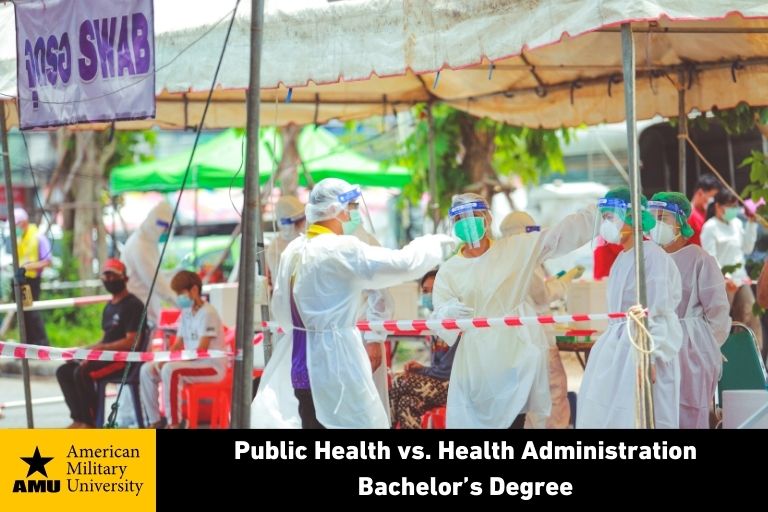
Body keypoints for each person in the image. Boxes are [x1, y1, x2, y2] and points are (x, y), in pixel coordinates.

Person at [265, 178, 453, 429]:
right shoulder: (340, 249)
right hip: (335, 364)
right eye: (351, 206)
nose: (353, 212)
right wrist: (434, 244)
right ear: (336, 209)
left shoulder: (293, 250)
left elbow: (280, 307)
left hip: (299, 362)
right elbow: (402, 264)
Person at [432, 193, 595, 429]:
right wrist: (448, 313)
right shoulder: (449, 270)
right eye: (459, 218)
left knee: (515, 420)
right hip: (476, 363)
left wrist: (596, 215)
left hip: (513, 357)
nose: (466, 222)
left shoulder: (515, 250)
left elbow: (558, 236)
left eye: (473, 216)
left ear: (487, 218)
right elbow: (440, 316)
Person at [577, 187, 683, 429]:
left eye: (611, 216)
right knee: (607, 416)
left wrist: (650, 357)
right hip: (618, 349)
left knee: (640, 418)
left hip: (642, 347)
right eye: (604, 218)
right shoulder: (623, 258)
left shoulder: (651, 256)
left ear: (633, 217)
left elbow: (657, 311)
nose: (607, 223)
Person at [648, 192, 731, 428]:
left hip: (692, 349)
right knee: (659, 412)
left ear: (681, 222)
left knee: (690, 411)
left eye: (664, 217)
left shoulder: (700, 259)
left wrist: (705, 350)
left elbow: (718, 311)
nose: (657, 223)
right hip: (657, 346)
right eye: (653, 217)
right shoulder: (651, 259)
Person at [500, 211, 581, 429]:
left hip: (511, 344)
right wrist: (564, 280)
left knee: (527, 398)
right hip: (538, 341)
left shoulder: (499, 260)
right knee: (551, 394)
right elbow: (542, 295)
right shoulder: (523, 259)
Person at [55, 259, 145, 428]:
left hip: (125, 360)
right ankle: (79, 419)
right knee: (65, 371)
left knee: (83, 371)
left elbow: (132, 341)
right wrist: (82, 352)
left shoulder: (133, 305)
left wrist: (100, 349)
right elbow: (104, 340)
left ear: (124, 279)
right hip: (106, 355)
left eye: (114, 276)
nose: (110, 280)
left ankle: (91, 423)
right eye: (107, 276)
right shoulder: (109, 307)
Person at [140, 271, 226, 429]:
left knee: (171, 370)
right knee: (146, 370)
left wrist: (170, 362)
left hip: (211, 367)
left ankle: (175, 424)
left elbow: (201, 350)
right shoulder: (186, 313)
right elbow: (178, 344)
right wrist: (164, 358)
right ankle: (155, 422)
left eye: (181, 293)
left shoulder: (208, 313)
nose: (179, 297)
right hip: (193, 364)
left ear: (194, 290)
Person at [119, 201, 176, 426]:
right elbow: (156, 283)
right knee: (133, 369)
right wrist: (181, 300)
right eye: (164, 228)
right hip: (138, 316)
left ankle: (132, 414)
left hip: (146, 313)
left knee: (134, 368)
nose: (164, 233)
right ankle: (129, 416)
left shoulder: (146, 242)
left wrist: (175, 276)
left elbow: (158, 276)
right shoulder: (141, 245)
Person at [390, 270, 458, 429]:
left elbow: (447, 372)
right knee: (406, 402)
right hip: (441, 385)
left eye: (434, 290)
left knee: (398, 381)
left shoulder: (454, 321)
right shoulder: (434, 323)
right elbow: (439, 368)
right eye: (425, 291)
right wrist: (423, 369)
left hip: (455, 386)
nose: (429, 295)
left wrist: (422, 372)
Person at [700, 190, 761, 348]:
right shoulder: (709, 227)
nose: (734, 209)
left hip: (740, 279)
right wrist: (724, 279)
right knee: (720, 323)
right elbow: (710, 258)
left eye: (735, 205)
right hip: (722, 283)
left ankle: (752, 355)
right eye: (730, 206)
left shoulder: (737, 223)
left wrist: (752, 223)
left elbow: (747, 249)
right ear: (718, 207)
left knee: (750, 318)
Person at [12, 207, 52, 346]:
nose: (16, 227)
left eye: (17, 224)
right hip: (20, 280)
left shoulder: (38, 237)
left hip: (32, 280)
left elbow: (48, 261)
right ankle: (28, 344)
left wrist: (27, 267)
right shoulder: (19, 238)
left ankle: (42, 344)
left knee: (32, 313)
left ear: (24, 222)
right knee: (23, 314)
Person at [266, 195, 306, 287]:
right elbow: (284, 283)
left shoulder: (307, 240)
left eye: (303, 219)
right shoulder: (276, 249)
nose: (303, 225)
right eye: (299, 222)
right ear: (287, 225)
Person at [687, 175, 721, 247]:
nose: (713, 200)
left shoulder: (710, 214)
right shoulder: (688, 215)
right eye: (712, 196)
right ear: (700, 193)